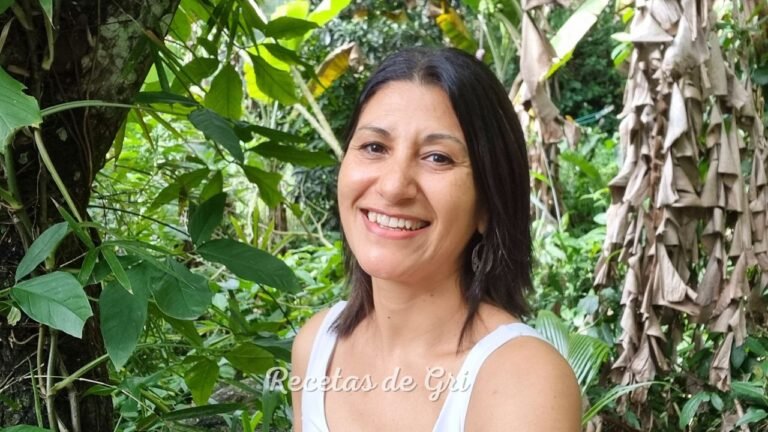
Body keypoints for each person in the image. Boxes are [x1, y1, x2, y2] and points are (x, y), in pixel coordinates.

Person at [291, 47, 581, 431]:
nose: (394, 187)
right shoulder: (316, 348)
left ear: (488, 203)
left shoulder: (522, 381)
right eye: (374, 147)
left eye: (438, 157)